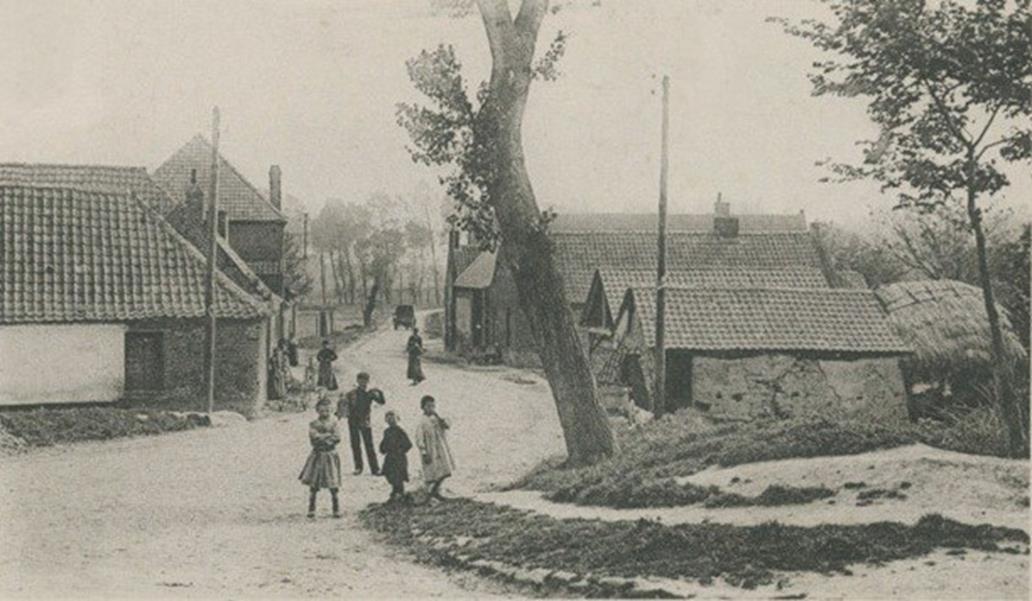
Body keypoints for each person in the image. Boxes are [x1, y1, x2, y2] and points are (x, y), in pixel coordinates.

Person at [298, 396, 342, 518]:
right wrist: (327, 436)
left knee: (333, 484)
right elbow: (314, 437)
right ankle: (311, 509)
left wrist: (324, 438)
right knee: (314, 484)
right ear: (317, 411)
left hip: (330, 456)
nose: (325, 413)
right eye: (322, 410)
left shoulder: (334, 423)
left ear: (331, 410)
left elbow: (337, 437)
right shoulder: (313, 424)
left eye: (327, 410)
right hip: (317, 456)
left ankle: (336, 509)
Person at [337, 372, 385, 475]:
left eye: (365, 380)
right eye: (361, 380)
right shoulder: (351, 393)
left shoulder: (370, 393)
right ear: (357, 381)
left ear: (368, 381)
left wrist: (379, 391)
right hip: (353, 421)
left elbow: (381, 402)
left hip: (365, 421)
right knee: (355, 444)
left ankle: (375, 468)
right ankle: (358, 467)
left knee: (369, 445)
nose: (363, 382)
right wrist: (341, 411)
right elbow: (343, 406)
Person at [415, 395, 455, 502]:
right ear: (423, 407)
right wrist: (424, 452)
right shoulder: (422, 421)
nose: (431, 408)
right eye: (428, 406)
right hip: (430, 451)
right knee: (432, 473)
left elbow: (447, 426)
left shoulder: (437, 419)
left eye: (433, 406)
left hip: (441, 450)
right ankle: (430, 493)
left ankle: (435, 491)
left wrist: (441, 420)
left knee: (445, 471)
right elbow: (419, 438)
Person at [379, 410, 413, 503]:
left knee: (398, 475)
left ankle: (400, 493)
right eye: (388, 418)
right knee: (389, 474)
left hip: (399, 458)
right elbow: (384, 444)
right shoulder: (386, 432)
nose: (390, 420)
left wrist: (400, 450)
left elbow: (408, 444)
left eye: (392, 418)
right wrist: (383, 448)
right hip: (390, 458)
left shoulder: (400, 431)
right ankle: (395, 491)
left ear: (397, 419)